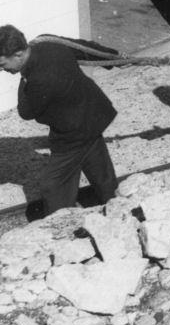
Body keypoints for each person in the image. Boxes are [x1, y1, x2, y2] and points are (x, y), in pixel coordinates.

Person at [0, 25, 118, 216]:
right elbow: (84, 48)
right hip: (93, 114)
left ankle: (60, 227)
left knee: (53, 185)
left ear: (19, 54)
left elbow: (26, 112)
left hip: (73, 133)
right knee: (99, 169)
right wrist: (116, 58)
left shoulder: (38, 79)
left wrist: (24, 79)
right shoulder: (46, 41)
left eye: (3, 65)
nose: (2, 70)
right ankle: (116, 206)